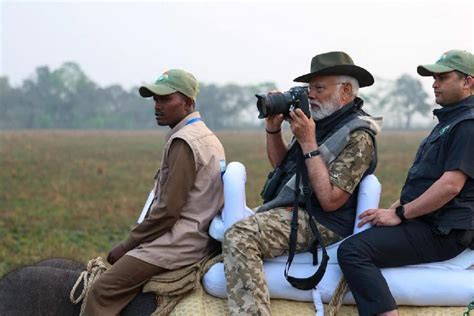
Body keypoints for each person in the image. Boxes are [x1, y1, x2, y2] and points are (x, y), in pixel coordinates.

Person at [222, 51, 381, 315]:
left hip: (324, 220)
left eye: (319, 88)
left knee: (241, 235)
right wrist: (273, 128)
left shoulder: (358, 135)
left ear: (345, 92)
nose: (311, 95)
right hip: (299, 207)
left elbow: (330, 201)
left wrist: (308, 141)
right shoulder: (319, 121)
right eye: (309, 88)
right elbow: (284, 167)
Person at [337, 49, 474, 316]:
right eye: (434, 78)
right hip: (430, 222)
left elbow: (450, 186)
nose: (434, 84)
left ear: (468, 82)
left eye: (443, 77)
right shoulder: (450, 122)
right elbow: (426, 183)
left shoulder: (468, 125)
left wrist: (400, 214)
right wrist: (390, 210)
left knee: (353, 251)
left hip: (444, 231)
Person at [83, 69, 226, 316]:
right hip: (197, 238)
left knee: (101, 290)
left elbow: (167, 212)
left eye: (165, 99)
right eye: (155, 100)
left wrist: (126, 245)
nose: (157, 106)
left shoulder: (184, 141)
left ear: (188, 102)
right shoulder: (205, 135)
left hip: (178, 244)